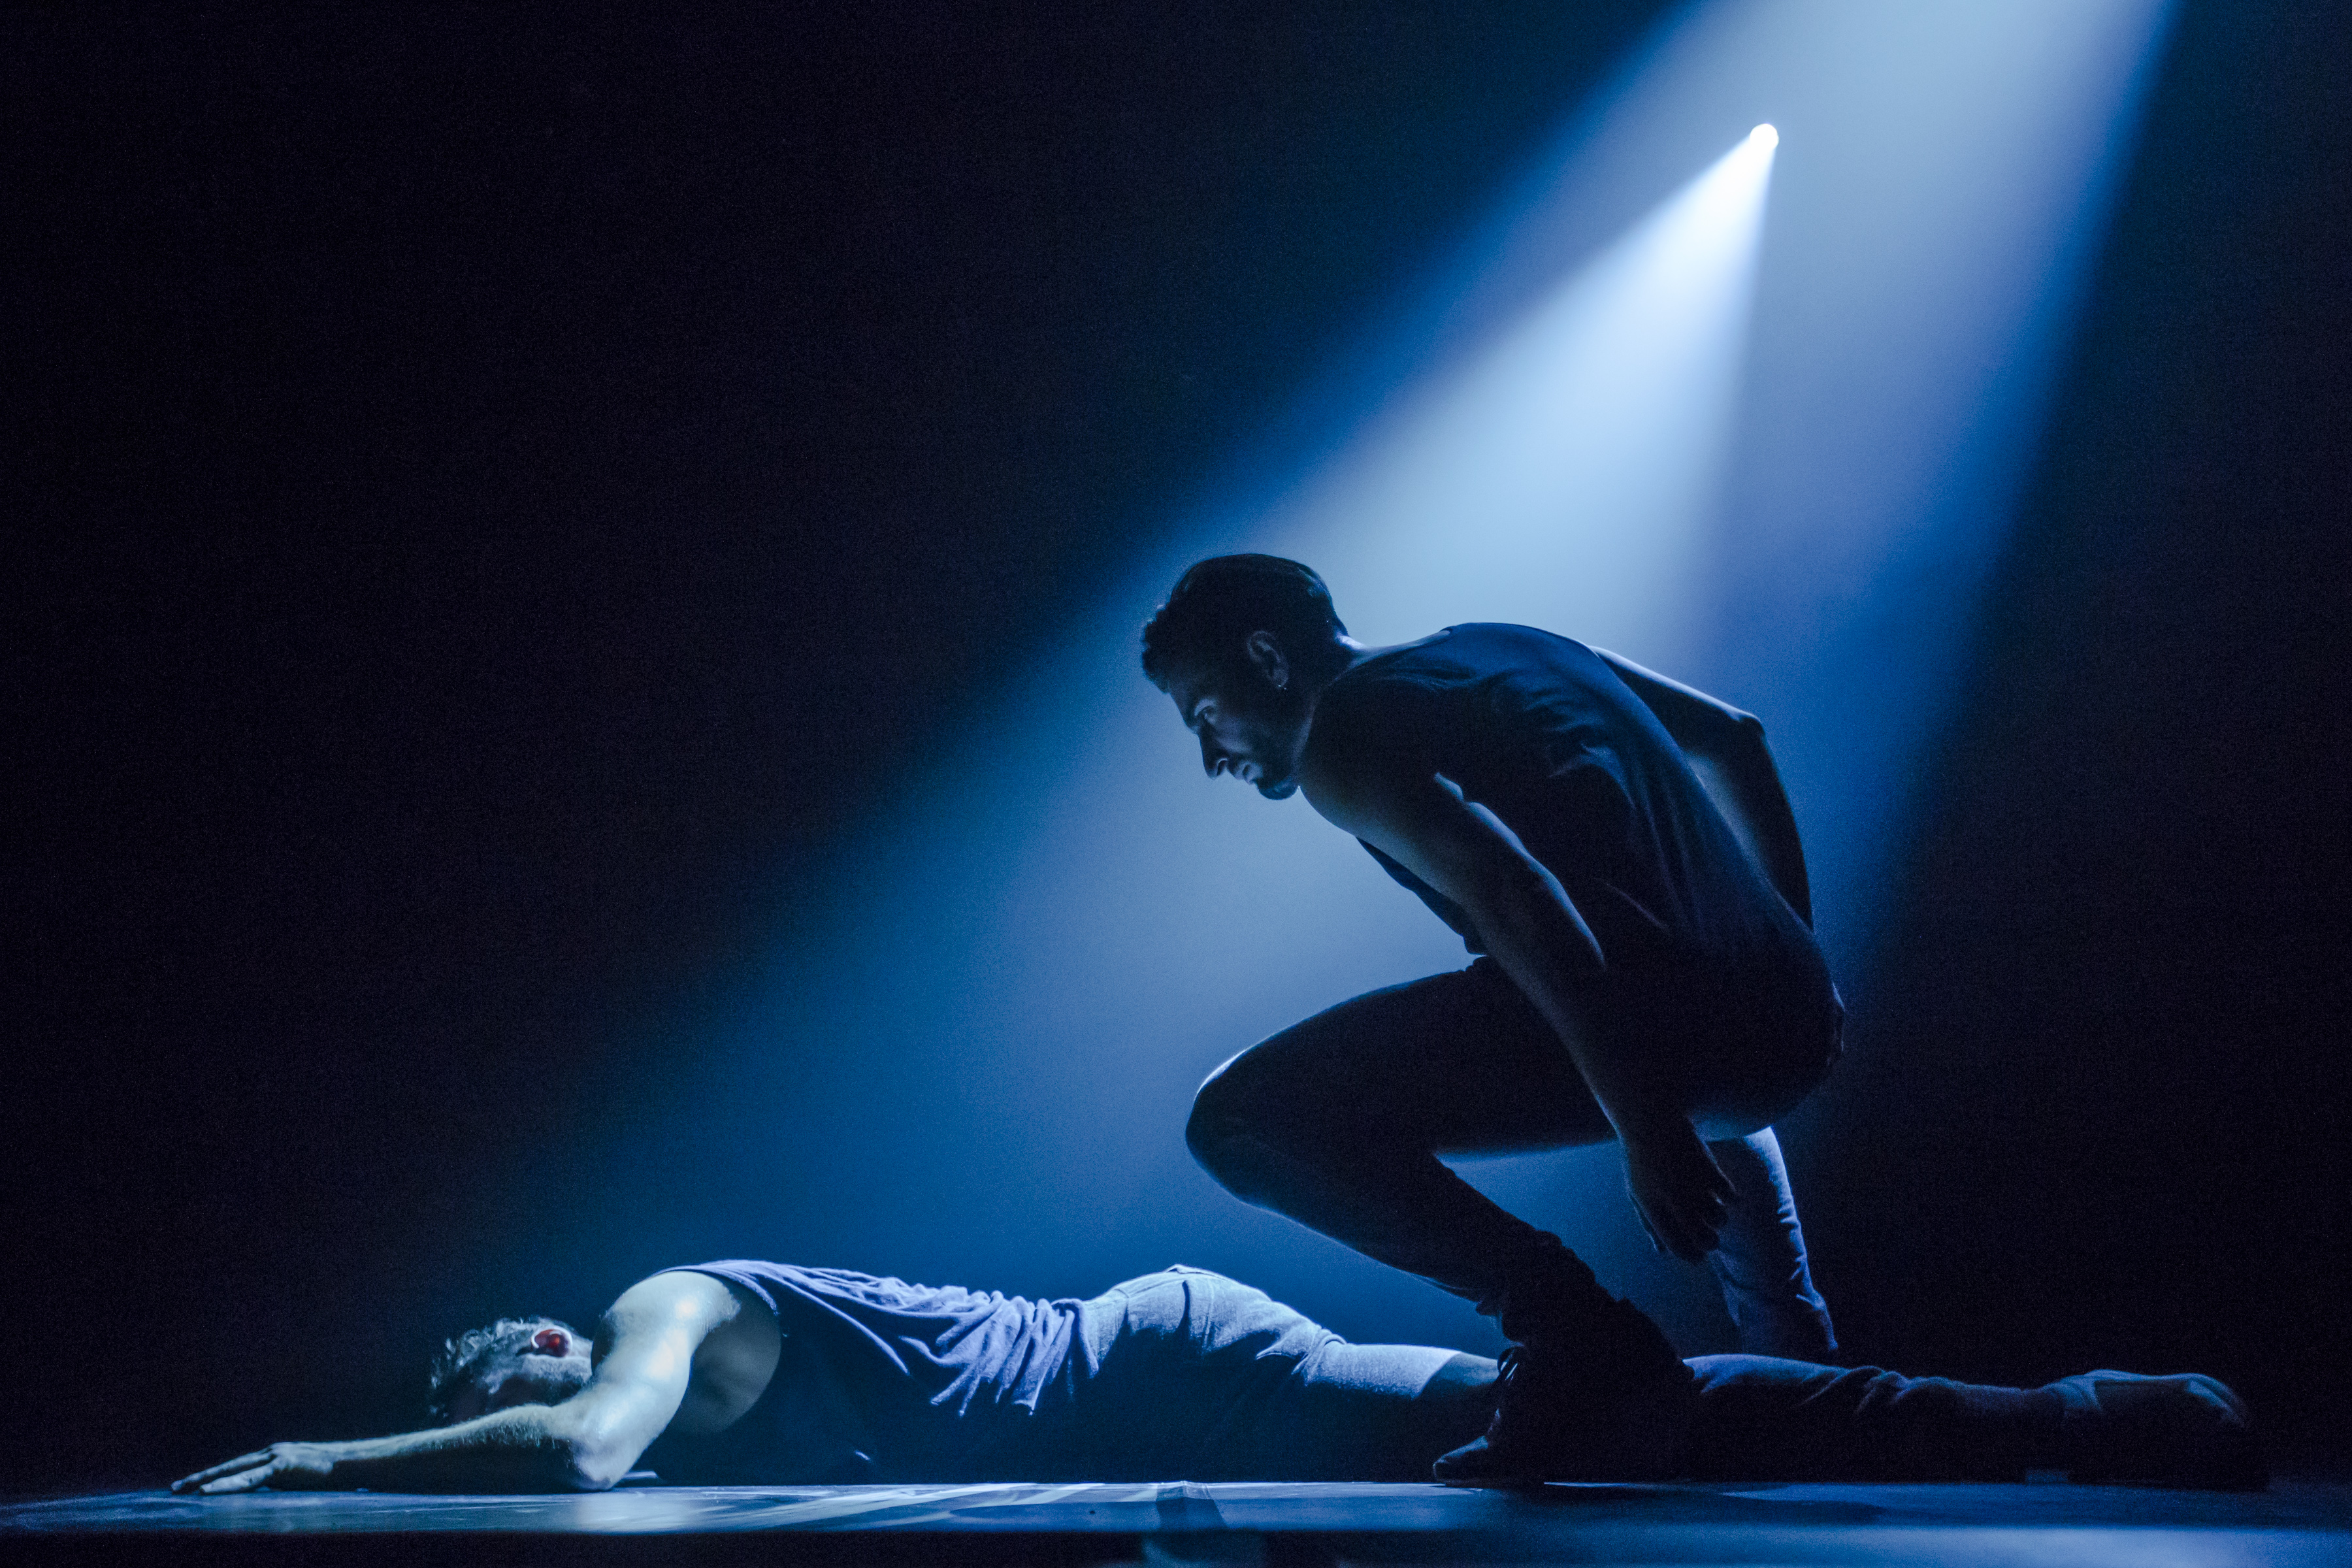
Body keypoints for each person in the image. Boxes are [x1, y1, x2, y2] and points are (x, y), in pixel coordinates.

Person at [1141, 555, 1848, 1482]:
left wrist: (1646, 1126)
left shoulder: (1343, 738)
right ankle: (1814, 1384)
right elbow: (1736, 737)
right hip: (1786, 1020)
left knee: (1240, 1120)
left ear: (1268, 658)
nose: (1210, 755)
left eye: (1204, 713)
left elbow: (1520, 899)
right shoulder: (1514, 645)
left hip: (1685, 1035)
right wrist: (1791, 944)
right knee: (1669, 1040)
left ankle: (1579, 1339)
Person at [171, 1259, 2262, 1495]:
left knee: (1619, 1431)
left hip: (1174, 1374)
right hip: (1155, 1403)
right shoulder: (695, 1381)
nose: (519, 1380)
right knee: (1600, 1450)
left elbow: (589, 1454)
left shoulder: (667, 1303)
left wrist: (339, 1456)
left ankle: (2096, 1421)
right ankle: (2088, 1416)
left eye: (503, 1363)